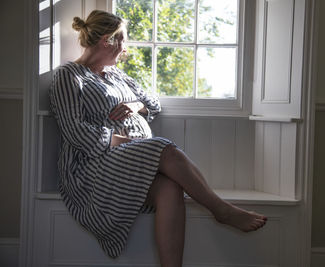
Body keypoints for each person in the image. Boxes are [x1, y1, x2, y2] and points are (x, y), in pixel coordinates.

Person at [49, 9, 267, 266]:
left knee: (170, 188)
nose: (125, 48)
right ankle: (221, 210)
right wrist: (125, 142)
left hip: (128, 159)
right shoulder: (70, 76)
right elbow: (74, 131)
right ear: (107, 40)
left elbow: (152, 102)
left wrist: (135, 105)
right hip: (94, 164)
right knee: (164, 148)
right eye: (123, 41)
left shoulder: (116, 75)